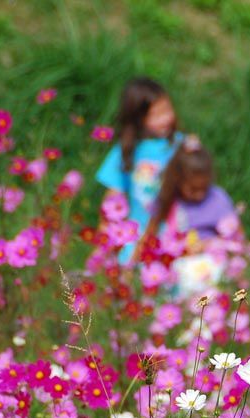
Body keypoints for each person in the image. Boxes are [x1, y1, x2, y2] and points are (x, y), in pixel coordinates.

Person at [95, 78, 183, 264]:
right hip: (136, 234)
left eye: (167, 110)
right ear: (138, 119)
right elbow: (113, 198)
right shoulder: (127, 150)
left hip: (175, 233)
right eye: (156, 114)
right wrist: (104, 236)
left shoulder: (181, 146)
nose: (166, 118)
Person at [141, 137, 240, 298]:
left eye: (204, 188)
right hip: (177, 263)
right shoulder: (169, 201)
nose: (200, 194)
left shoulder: (217, 198)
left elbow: (237, 237)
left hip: (211, 260)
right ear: (177, 180)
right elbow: (149, 236)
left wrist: (209, 244)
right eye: (193, 189)